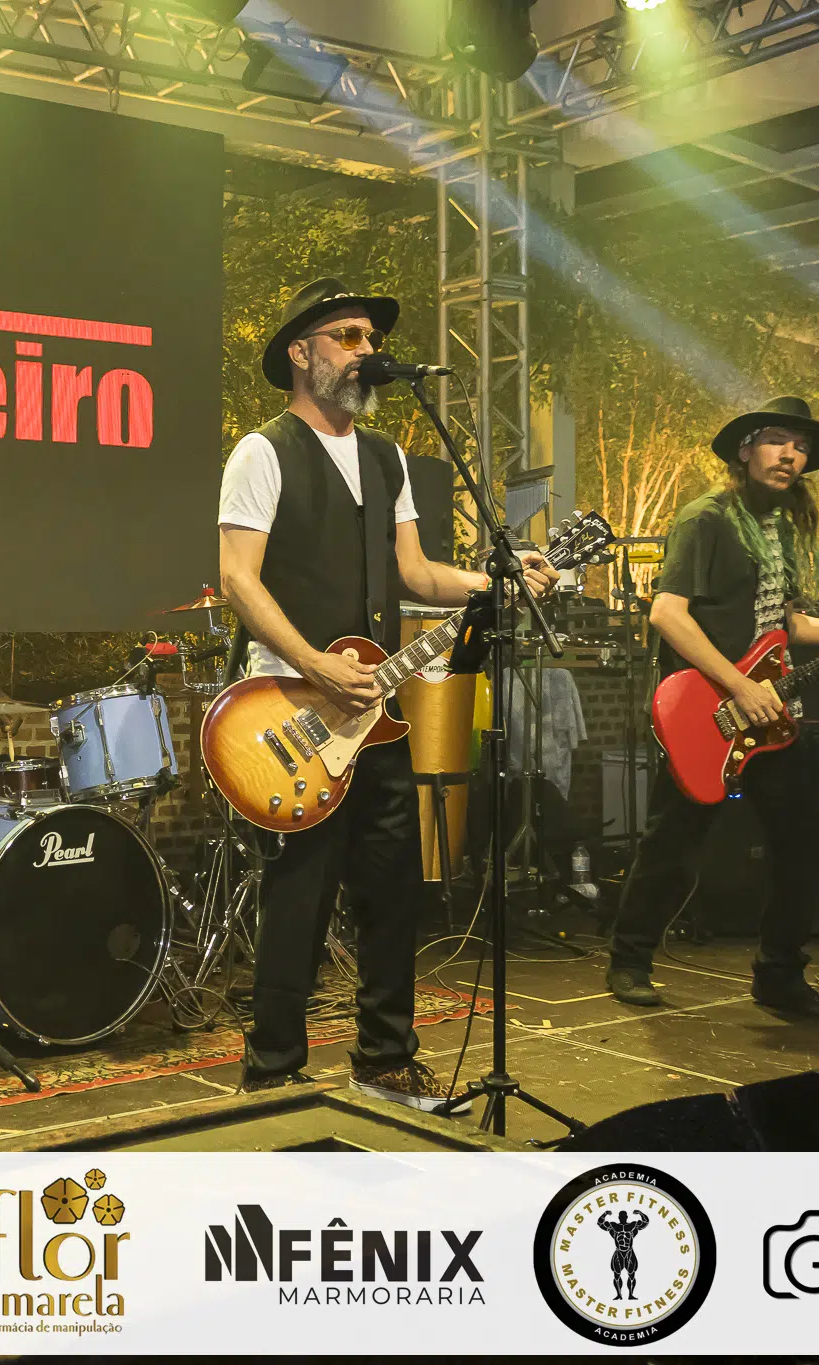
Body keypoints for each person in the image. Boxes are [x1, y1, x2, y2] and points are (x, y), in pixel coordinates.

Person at [217, 277, 556, 1105]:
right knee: (300, 895)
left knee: (392, 885)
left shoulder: (386, 456)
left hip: (374, 709)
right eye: (349, 336)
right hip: (289, 705)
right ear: (302, 352)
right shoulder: (263, 451)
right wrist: (313, 660)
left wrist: (496, 578)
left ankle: (385, 1055)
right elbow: (237, 578)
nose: (367, 351)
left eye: (370, 338)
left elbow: (413, 572)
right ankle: (272, 1069)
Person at [606, 396, 819, 1018]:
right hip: (704, 708)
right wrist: (739, 686)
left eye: (801, 447)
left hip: (767, 711)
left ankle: (778, 974)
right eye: (777, 441)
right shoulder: (707, 518)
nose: (790, 455)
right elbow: (668, 614)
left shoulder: (787, 529)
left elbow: (789, 625)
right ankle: (629, 960)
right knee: (674, 842)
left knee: (807, 839)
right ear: (746, 450)